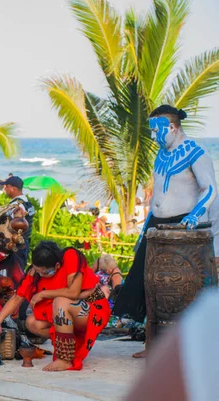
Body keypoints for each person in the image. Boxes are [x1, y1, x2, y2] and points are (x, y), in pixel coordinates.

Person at [113, 105, 219, 359]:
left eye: (156, 130)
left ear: (172, 127)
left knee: (181, 287)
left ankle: (187, 350)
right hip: (156, 224)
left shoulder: (196, 153)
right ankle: (151, 346)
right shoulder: (160, 156)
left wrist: (195, 216)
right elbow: (158, 196)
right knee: (149, 283)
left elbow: (210, 189)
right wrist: (144, 229)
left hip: (185, 225)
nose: (152, 136)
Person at [0, 241, 111, 371]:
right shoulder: (35, 271)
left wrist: (44, 294)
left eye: (45, 273)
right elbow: (18, 297)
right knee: (32, 322)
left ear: (57, 265)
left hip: (93, 309)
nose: (40, 275)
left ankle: (65, 359)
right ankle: (69, 343)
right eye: (37, 271)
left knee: (60, 301)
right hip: (68, 311)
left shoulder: (70, 256)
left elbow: (73, 292)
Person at [0, 176, 35, 269]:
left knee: (12, 273)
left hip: (15, 246)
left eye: (6, 186)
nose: (5, 189)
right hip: (24, 243)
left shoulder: (17, 206)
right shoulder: (27, 203)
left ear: (13, 188)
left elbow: (10, 226)